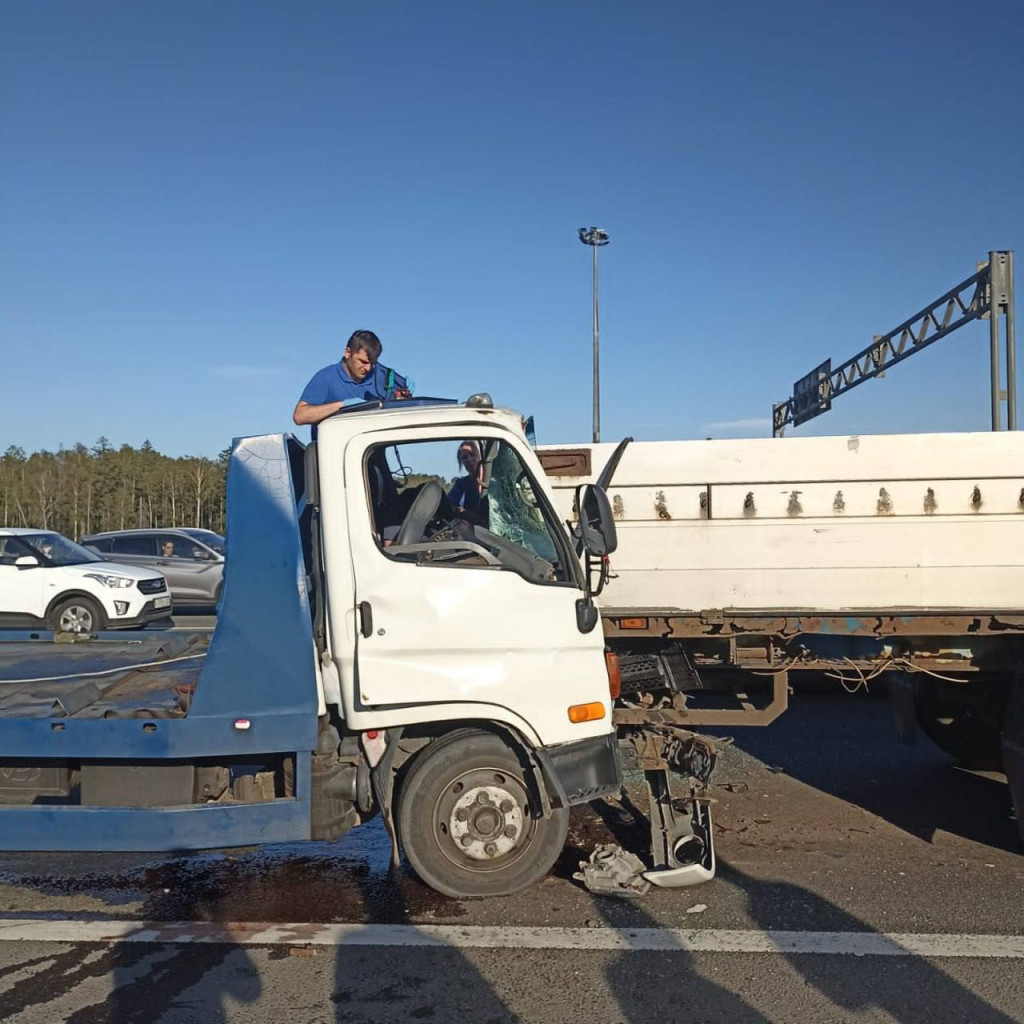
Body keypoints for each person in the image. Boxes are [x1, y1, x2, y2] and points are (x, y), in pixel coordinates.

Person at [293, 330, 411, 440]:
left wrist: (403, 396)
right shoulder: (326, 377)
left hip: (371, 454)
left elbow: (403, 402)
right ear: (347, 352)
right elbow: (300, 416)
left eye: (372, 363)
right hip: (333, 456)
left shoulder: (380, 375)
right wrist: (341, 406)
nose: (368, 368)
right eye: (363, 362)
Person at [447, 440, 488, 526]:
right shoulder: (461, 484)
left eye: (472, 454)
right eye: (464, 457)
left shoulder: (495, 483)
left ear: (482, 457)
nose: (469, 459)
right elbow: (448, 507)